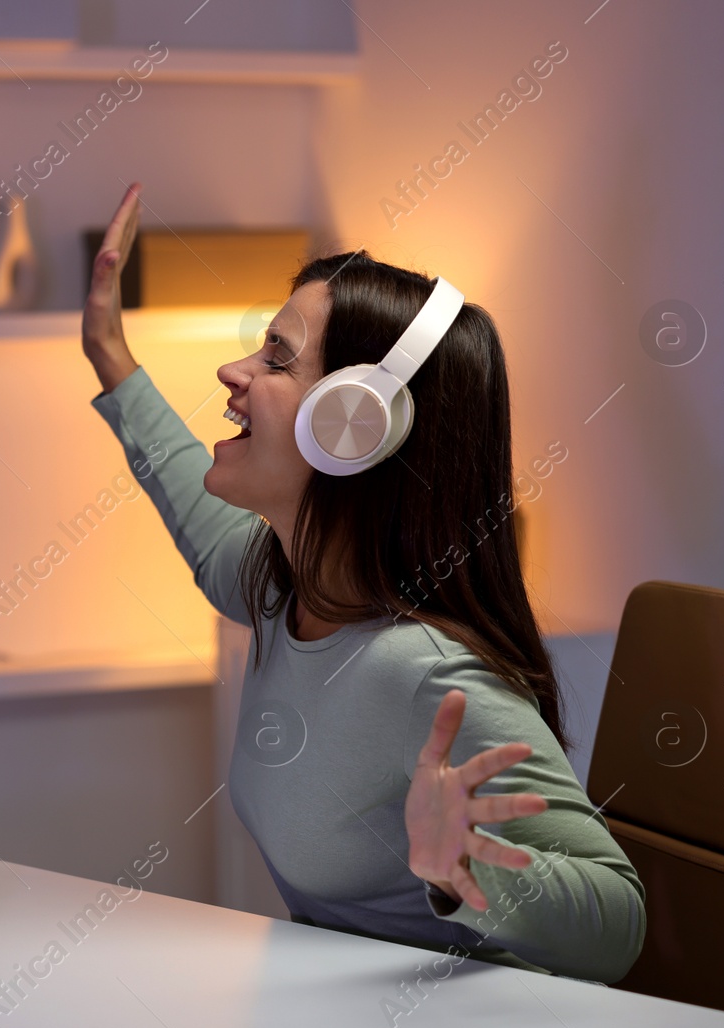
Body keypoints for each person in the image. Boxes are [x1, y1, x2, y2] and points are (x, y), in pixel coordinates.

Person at [81, 183, 644, 982]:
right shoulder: (283, 591)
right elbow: (193, 509)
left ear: (355, 424)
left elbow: (620, 924)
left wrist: (468, 867)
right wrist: (107, 348)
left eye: (276, 357)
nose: (231, 371)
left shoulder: (423, 673)